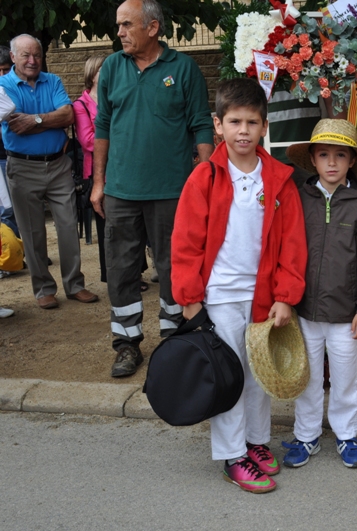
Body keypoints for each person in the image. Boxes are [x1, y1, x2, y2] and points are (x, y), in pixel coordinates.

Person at [171, 77, 308, 493]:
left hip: (263, 295)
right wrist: (189, 298)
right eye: (234, 122)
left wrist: (286, 296)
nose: (243, 130)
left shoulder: (281, 179)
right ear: (218, 125)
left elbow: (292, 244)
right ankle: (232, 454)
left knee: (257, 374)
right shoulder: (204, 178)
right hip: (220, 295)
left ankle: (255, 441)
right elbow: (186, 243)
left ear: (265, 126)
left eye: (251, 122)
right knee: (229, 375)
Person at [92, 0, 215, 377]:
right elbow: (103, 127)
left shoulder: (183, 68)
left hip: (172, 192)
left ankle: (174, 343)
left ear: (153, 27)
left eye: (127, 25)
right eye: (119, 25)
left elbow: (201, 126)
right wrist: (99, 182)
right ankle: (127, 345)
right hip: (122, 191)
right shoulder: (112, 67)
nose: (120, 32)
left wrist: (205, 177)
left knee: (173, 267)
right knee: (122, 269)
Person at [283, 119, 357, 469]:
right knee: (307, 377)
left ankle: (345, 435)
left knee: (344, 379)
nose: (331, 162)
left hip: (346, 314)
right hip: (305, 310)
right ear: (312, 158)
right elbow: (286, 250)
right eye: (323, 154)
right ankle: (306, 435)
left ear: (351, 161)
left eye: (339, 155)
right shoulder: (299, 199)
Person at [0, 34, 99, 310]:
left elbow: (68, 116)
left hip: (58, 165)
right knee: (33, 233)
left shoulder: (52, 80)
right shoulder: (3, 86)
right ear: (13, 57)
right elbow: (15, 126)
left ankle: (75, 285)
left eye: (37, 55)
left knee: (69, 227)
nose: (32, 61)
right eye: (26, 56)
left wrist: (34, 120)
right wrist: (49, 119)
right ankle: (43, 288)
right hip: (22, 166)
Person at [74, 56, 106, 273]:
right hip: (96, 172)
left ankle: (136, 271)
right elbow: (87, 141)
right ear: (92, 74)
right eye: (103, 70)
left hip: (120, 168)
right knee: (105, 226)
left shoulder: (114, 99)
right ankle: (110, 273)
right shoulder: (81, 105)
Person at [0, 44, 18, 238]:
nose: (2, 74)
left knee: (20, 207)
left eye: (5, 69)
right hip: (1, 158)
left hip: (15, 156)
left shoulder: (14, 89)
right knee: (6, 210)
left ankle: (23, 250)